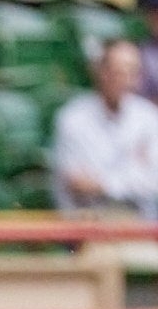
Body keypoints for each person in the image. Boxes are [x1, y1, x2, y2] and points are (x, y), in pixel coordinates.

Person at [53, 38, 158, 218]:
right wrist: (132, 178)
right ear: (101, 72)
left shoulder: (148, 117)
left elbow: (153, 181)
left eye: (132, 73)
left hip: (141, 226)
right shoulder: (73, 118)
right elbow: (75, 183)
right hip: (91, 225)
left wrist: (102, 184)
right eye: (118, 72)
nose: (127, 80)